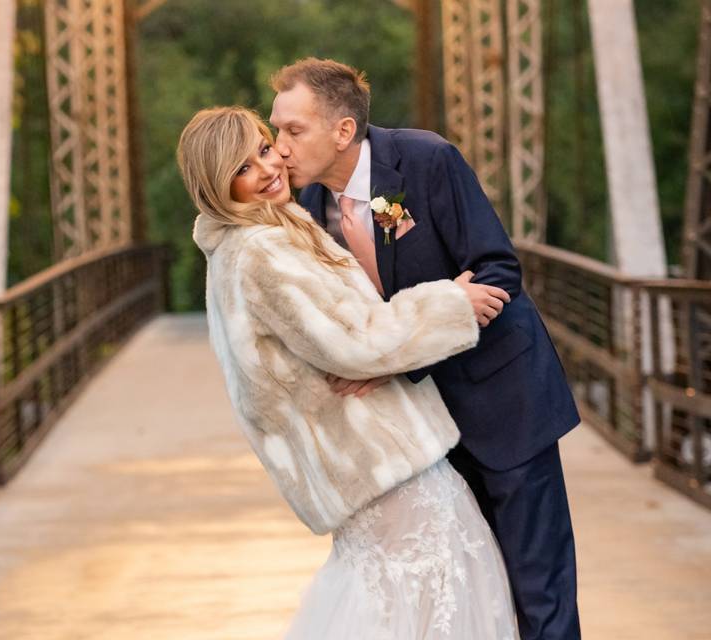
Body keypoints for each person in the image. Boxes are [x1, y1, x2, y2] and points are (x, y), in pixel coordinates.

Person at [270, 57, 581, 640]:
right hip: (425, 433)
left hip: (505, 404)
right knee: (477, 593)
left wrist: (399, 356)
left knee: (540, 592)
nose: (280, 147)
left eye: (293, 130)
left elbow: (496, 274)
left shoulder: (425, 160)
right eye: (275, 131)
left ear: (342, 131)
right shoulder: (306, 213)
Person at [180, 105, 519, 639]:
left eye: (268, 147)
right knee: (423, 602)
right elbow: (354, 341)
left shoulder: (278, 228)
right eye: (243, 168)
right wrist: (449, 303)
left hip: (385, 455)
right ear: (217, 190)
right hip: (376, 460)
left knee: (429, 598)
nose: (272, 165)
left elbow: (345, 333)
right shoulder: (264, 247)